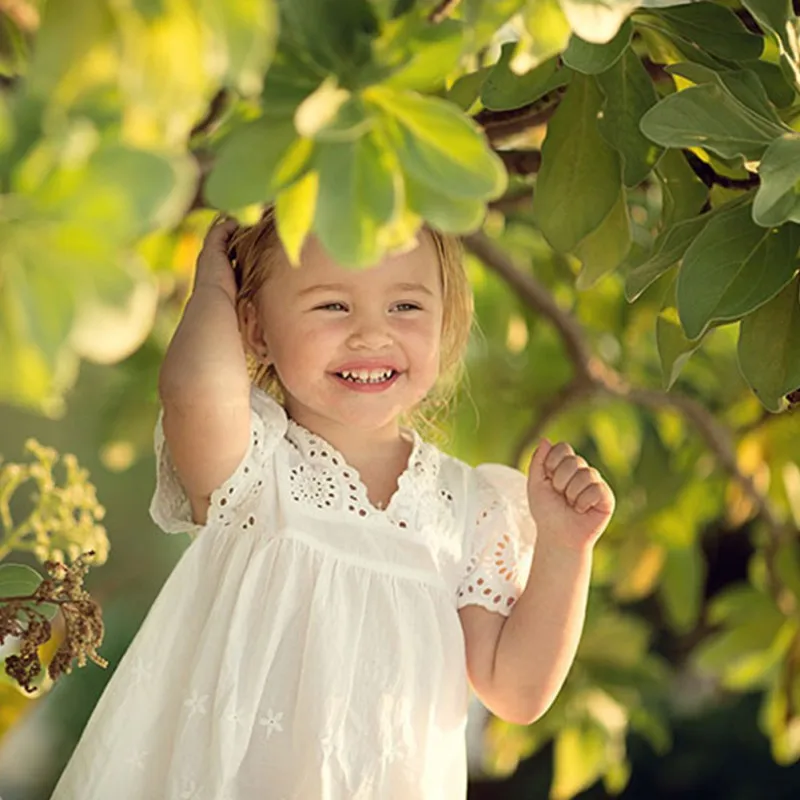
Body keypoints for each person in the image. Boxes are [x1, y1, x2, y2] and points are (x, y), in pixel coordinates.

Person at [51, 209, 615, 799]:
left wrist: (564, 549)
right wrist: (215, 288)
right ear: (257, 329)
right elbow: (194, 388)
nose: (371, 335)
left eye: (406, 306)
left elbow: (516, 690)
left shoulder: (468, 511)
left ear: (445, 319)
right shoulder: (254, 466)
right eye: (332, 306)